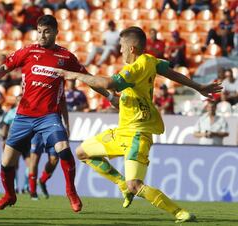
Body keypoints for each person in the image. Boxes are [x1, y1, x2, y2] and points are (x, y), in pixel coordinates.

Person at [54, 26, 222, 223]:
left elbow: (108, 83)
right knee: (82, 152)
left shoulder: (136, 68)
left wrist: (76, 76)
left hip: (137, 135)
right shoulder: (150, 61)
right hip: (122, 131)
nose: (120, 51)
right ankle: (121, 184)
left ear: (131, 48)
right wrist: (198, 86)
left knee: (136, 185)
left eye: (122, 47)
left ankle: (179, 212)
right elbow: (170, 73)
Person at [0, 15, 109, 212]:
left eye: (46, 31)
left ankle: (71, 191)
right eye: (39, 31)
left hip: (49, 116)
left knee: (63, 147)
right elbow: (5, 67)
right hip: (23, 116)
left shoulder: (66, 57)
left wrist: (109, 96)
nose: (42, 35)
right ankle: (9, 195)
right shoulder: (28, 51)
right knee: (6, 162)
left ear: (55, 32)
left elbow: (88, 79)